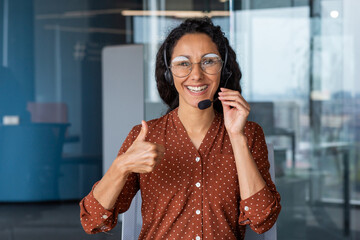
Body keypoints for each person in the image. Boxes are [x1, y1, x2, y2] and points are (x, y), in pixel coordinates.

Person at [80, 17, 281, 239]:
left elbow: (263, 220)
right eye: (183, 63)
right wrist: (121, 167)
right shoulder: (145, 136)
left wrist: (236, 137)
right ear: (168, 73)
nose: (196, 75)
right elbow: (93, 221)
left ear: (223, 70)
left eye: (209, 61)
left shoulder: (249, 134)